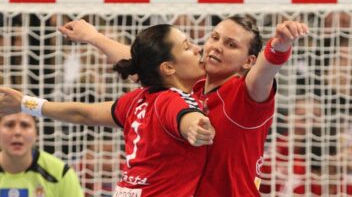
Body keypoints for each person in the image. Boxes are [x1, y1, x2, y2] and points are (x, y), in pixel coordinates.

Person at [57, 16, 309, 196]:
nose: (217, 47)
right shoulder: (191, 85)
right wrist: (92, 37)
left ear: (248, 61)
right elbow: (146, 60)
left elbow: (265, 71)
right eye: (215, 37)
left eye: (231, 45)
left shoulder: (246, 95)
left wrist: (280, 45)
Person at [0, 24, 216, 196]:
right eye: (187, 47)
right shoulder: (175, 100)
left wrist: (26, 104)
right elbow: (186, 116)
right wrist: (195, 126)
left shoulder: (137, 100)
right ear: (168, 67)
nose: (198, 49)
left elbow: (83, 113)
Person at [0, 112, 83, 197]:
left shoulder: (60, 174)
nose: (17, 132)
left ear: (36, 134)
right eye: (9, 125)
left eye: (25, 125)